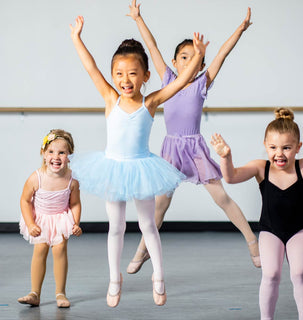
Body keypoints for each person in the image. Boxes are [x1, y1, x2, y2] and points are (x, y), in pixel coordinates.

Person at [69, 15, 208, 307]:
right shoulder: (110, 98)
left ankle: (158, 278)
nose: (125, 80)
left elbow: (181, 80)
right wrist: (77, 38)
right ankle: (114, 280)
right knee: (116, 227)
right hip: (112, 167)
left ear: (146, 76)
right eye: (119, 74)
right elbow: (90, 67)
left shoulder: (151, 102)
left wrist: (197, 56)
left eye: (132, 74)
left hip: (142, 167)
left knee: (148, 225)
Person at [126, 0, 260, 275]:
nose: (189, 62)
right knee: (160, 206)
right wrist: (138, 19)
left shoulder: (201, 83)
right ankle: (142, 251)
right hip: (172, 150)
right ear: (175, 63)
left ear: (200, 66)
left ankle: (252, 241)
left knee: (221, 198)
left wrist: (241, 29)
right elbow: (151, 46)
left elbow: (222, 53)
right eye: (184, 57)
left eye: (195, 58)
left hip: (195, 149)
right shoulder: (167, 78)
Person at [211, 108, 303, 320]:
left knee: (300, 274)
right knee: (270, 275)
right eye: (273, 147)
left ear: (298, 147)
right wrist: (226, 156)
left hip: (299, 231)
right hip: (270, 231)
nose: (280, 153)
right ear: (265, 146)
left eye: (287, 147)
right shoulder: (261, 168)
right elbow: (230, 177)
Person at [18, 129, 82, 308]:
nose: (56, 157)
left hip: (61, 219)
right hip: (40, 219)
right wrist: (30, 223)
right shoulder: (36, 177)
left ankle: (60, 293)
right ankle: (35, 293)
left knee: (60, 250)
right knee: (40, 250)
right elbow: (24, 200)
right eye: (51, 152)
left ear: (69, 156)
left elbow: (75, 203)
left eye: (62, 152)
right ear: (43, 154)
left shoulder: (72, 180)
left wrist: (75, 223)